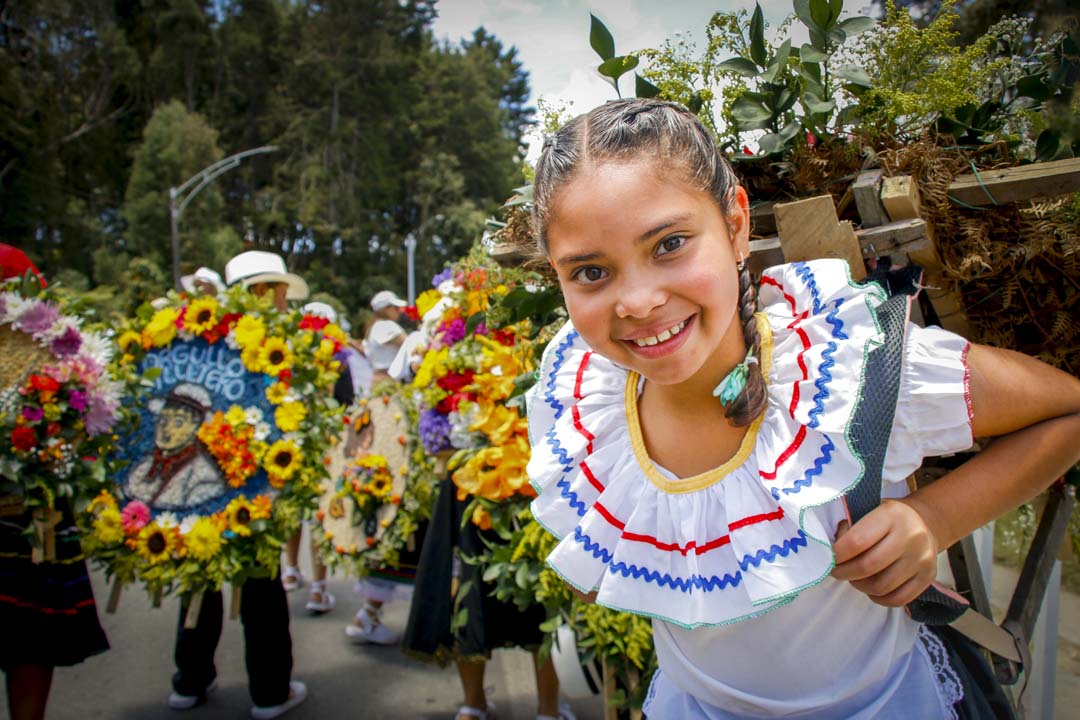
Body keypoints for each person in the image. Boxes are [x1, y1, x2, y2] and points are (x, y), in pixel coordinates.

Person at [525, 98, 1080, 719]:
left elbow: (1068, 411)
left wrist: (934, 518)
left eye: (670, 244)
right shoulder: (585, 410)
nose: (638, 300)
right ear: (558, 276)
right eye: (592, 273)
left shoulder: (849, 372)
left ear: (736, 225)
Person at [169, 251, 307, 719]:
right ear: (263, 293)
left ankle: (189, 680)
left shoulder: (194, 337)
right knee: (261, 591)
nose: (284, 305)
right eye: (280, 295)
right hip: (252, 490)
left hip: (196, 486)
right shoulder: (274, 344)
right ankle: (269, 692)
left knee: (200, 581)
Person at [0, 249, 109, 720]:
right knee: (32, 636)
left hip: (34, 510)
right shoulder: (59, 352)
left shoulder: (57, 353)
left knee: (32, 635)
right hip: (35, 513)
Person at [125, 383, 226, 510]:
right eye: (163, 420)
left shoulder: (206, 480)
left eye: (178, 422)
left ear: (196, 428)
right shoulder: (143, 468)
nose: (167, 429)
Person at [364, 290, 407, 384]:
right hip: (388, 380)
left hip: (379, 379)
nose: (399, 311)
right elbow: (409, 345)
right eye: (396, 308)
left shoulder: (375, 326)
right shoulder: (386, 326)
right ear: (385, 309)